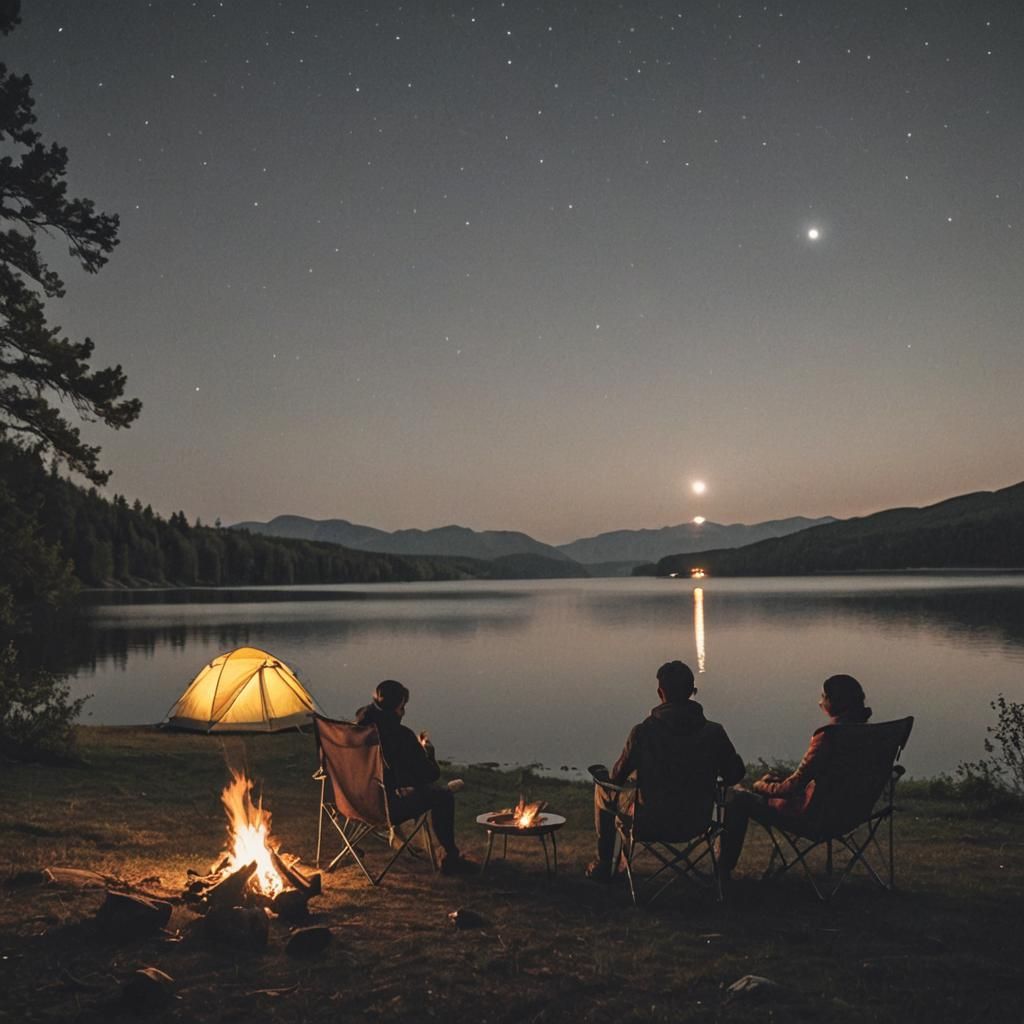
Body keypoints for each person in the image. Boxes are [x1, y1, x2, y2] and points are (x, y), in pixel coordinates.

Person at [586, 660, 745, 882]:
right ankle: (723, 870)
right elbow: (735, 775)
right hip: (697, 822)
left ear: (661, 693)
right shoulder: (714, 733)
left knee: (603, 790)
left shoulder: (643, 733)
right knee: (735, 795)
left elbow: (617, 778)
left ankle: (604, 864)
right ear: (692, 692)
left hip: (649, 823)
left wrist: (607, 778)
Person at [718, 673, 873, 879]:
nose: (820, 702)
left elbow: (793, 788)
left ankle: (722, 870)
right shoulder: (870, 735)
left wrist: (761, 786)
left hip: (813, 817)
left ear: (834, 702)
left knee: (736, 797)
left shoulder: (829, 736)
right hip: (852, 813)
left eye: (823, 696)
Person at [354, 679, 476, 876]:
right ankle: (451, 858)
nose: (403, 712)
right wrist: (428, 753)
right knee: (442, 797)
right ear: (394, 708)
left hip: (351, 801)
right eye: (402, 707)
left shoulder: (358, 729)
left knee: (423, 790)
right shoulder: (400, 735)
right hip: (384, 808)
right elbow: (429, 775)